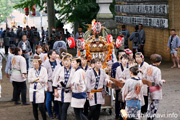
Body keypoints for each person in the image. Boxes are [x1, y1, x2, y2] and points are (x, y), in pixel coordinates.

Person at [143, 54, 166, 120]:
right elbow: (157, 82)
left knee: (150, 104)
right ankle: (152, 117)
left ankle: (149, 116)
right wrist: (162, 81)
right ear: (159, 62)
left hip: (148, 88)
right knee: (155, 104)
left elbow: (144, 77)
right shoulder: (157, 70)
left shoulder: (148, 67)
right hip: (155, 89)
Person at [53, 53, 75, 120]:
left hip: (68, 92)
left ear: (71, 61)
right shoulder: (60, 69)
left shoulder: (74, 70)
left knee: (64, 109)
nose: (66, 62)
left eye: (68, 61)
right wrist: (55, 91)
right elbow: (55, 80)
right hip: (59, 91)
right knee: (60, 109)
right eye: (65, 61)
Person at [28, 56, 47, 120]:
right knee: (34, 106)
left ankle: (44, 118)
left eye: (36, 62)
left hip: (40, 89)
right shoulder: (31, 70)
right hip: (33, 90)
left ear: (39, 62)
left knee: (41, 106)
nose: (34, 63)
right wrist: (37, 79)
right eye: (33, 62)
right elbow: (29, 80)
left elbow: (45, 80)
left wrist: (35, 80)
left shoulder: (44, 69)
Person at [43, 50, 59, 119]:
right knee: (48, 99)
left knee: (56, 99)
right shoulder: (45, 63)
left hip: (57, 84)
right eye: (54, 54)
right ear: (50, 55)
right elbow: (44, 75)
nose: (55, 55)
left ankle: (56, 112)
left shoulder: (58, 62)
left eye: (55, 54)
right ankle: (50, 113)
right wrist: (46, 84)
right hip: (49, 83)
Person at [111, 50, 125, 119]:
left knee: (123, 100)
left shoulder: (127, 65)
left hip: (125, 86)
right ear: (119, 56)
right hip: (117, 84)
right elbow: (112, 74)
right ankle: (117, 113)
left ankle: (123, 114)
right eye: (123, 55)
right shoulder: (115, 65)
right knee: (117, 100)